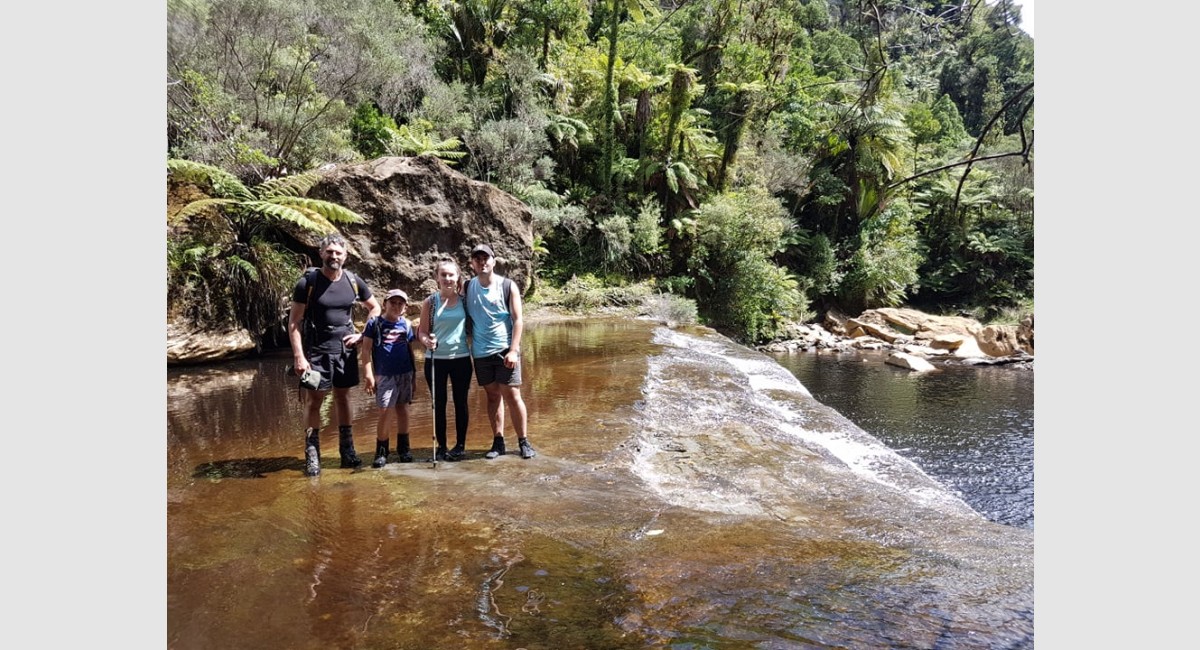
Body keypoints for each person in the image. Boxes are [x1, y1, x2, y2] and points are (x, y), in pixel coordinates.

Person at [288, 233, 381, 476]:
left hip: (345, 352)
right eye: (329, 252)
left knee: (344, 397)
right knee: (314, 400)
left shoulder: (352, 281)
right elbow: (294, 322)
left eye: (339, 253)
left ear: (345, 256)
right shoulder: (307, 283)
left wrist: (362, 335)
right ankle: (312, 454)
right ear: (321, 254)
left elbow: (375, 307)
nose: (334, 256)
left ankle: (347, 450)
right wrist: (299, 356)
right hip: (316, 352)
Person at [464, 244, 536, 459]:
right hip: (480, 353)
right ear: (472, 264)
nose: (482, 262)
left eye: (485, 258)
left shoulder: (508, 285)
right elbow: (450, 302)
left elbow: (518, 320)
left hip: (505, 350)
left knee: (513, 395)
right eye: (477, 259)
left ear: (493, 261)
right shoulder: (467, 286)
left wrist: (513, 350)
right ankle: (498, 442)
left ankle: (523, 441)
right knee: (493, 396)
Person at [417, 259, 473, 462]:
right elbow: (421, 332)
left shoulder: (465, 302)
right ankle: (441, 446)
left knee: (461, 403)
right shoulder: (430, 302)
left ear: (458, 277)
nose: (448, 279)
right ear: (437, 278)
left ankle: (460, 445)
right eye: (444, 275)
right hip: (435, 360)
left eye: (451, 275)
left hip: (461, 359)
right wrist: (427, 341)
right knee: (438, 404)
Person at [360, 289, 417, 468]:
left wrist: (414, 376)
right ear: (384, 304)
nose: (396, 306)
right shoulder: (374, 324)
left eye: (400, 304)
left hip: (405, 373)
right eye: (393, 302)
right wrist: (368, 374)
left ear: (405, 308)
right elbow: (366, 351)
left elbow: (410, 350)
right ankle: (381, 450)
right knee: (385, 410)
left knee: (403, 410)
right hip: (384, 375)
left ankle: (404, 449)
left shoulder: (406, 325)